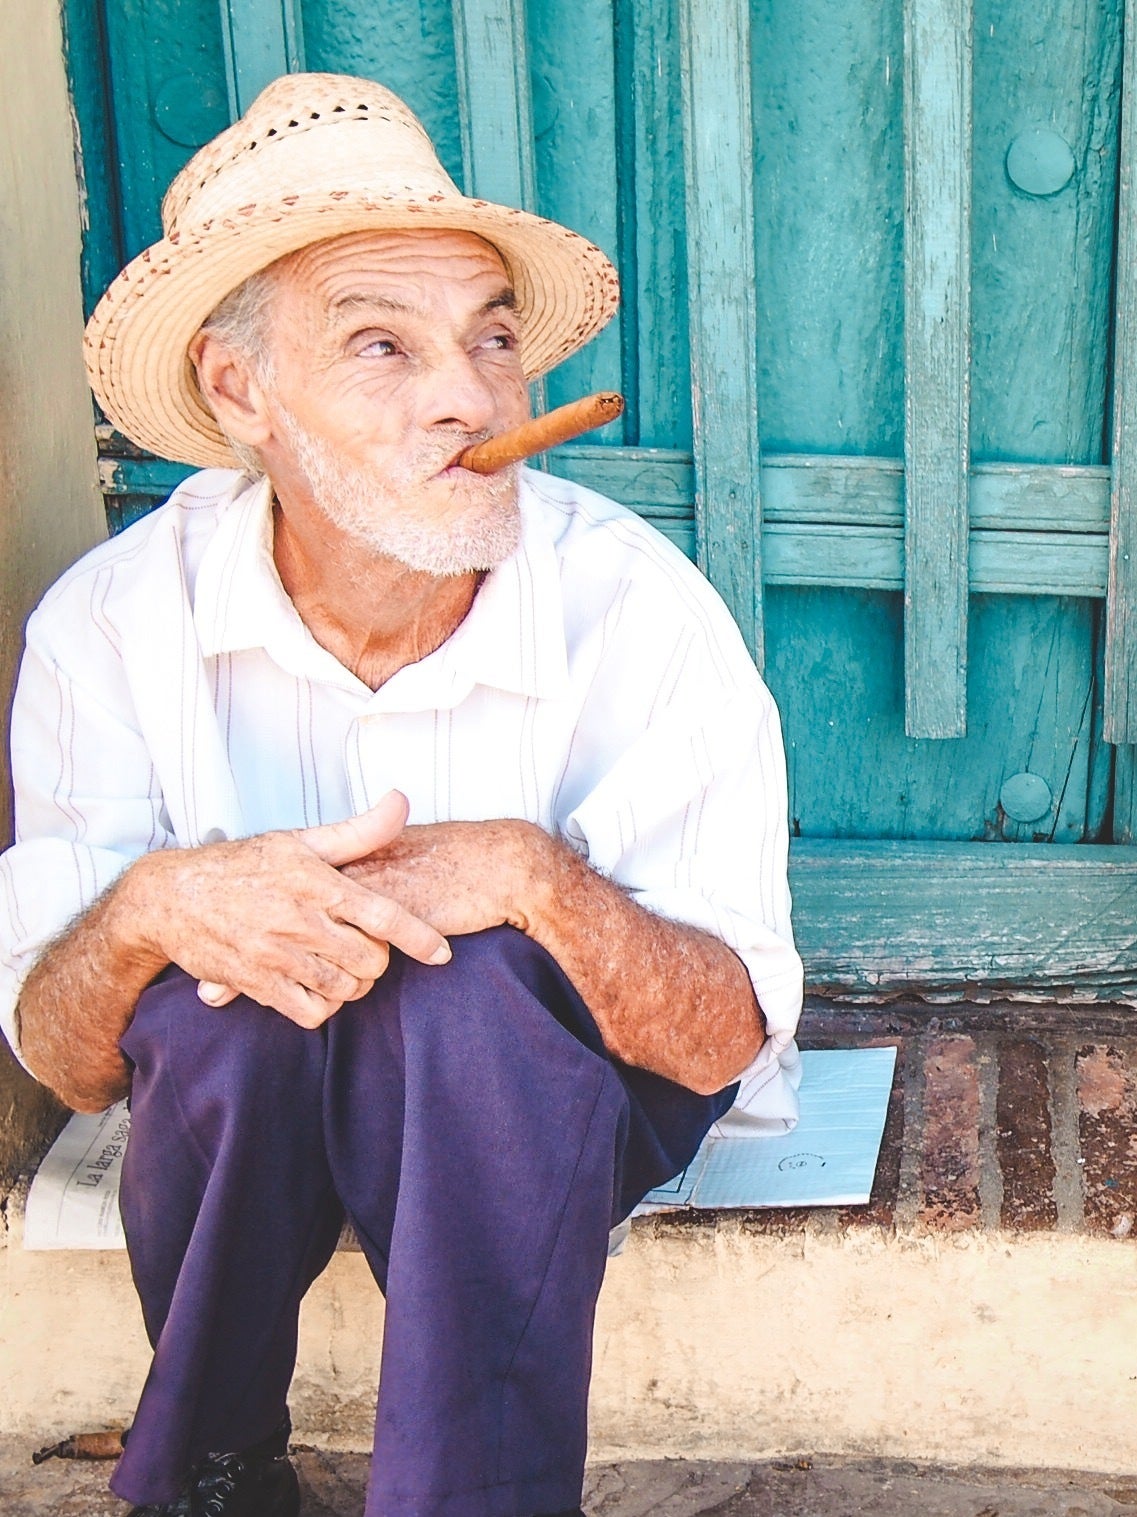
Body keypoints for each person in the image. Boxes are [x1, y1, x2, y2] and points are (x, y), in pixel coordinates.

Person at [0, 73, 803, 1517]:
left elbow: (723, 1036)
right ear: (239, 391)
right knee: (217, 1002)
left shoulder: (636, 610)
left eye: (492, 338)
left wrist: (532, 881)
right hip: (258, 1118)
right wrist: (154, 908)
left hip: (552, 1105)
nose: (470, 396)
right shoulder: (111, 626)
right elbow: (71, 1060)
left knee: (466, 998)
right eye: (383, 343)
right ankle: (218, 1473)